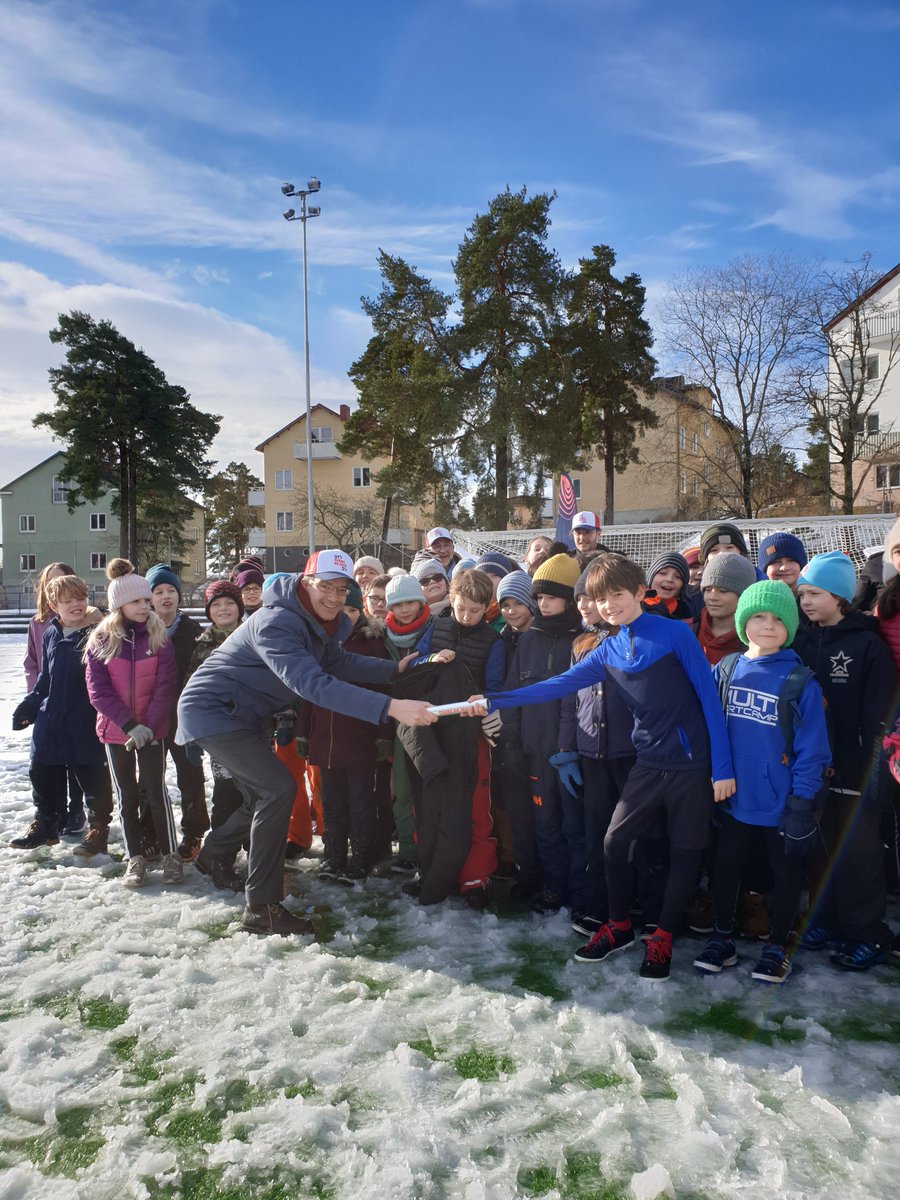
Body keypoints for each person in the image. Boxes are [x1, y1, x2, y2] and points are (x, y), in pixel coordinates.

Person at [475, 552, 735, 981]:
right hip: (647, 763)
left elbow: (709, 699)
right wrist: (490, 701)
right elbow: (552, 687)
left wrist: (721, 769)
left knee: (683, 852)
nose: (610, 605)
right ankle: (618, 926)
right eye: (601, 598)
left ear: (638, 592)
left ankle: (663, 936)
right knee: (614, 843)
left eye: (617, 595)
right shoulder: (608, 647)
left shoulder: (674, 634)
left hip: (691, 765)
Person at [177, 551, 435, 936]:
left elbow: (338, 664)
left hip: (245, 713)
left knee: (260, 795)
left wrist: (396, 670)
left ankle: (214, 856)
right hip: (214, 712)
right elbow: (313, 684)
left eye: (342, 588)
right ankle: (261, 908)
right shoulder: (278, 622)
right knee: (278, 789)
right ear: (305, 581)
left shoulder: (319, 622)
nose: (334, 597)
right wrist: (392, 707)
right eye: (325, 586)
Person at [693, 581, 831, 984]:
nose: (767, 626)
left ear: (790, 625)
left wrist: (803, 804)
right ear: (742, 622)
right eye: (758, 616)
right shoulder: (727, 669)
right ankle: (721, 939)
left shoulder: (800, 681)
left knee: (784, 878)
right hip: (733, 800)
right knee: (725, 869)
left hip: (781, 804)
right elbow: (707, 729)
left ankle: (777, 947)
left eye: (777, 619)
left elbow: (814, 750)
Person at [795, 551, 897, 970]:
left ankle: (868, 934)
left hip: (857, 769)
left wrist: (871, 763)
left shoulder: (866, 642)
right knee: (822, 851)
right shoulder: (800, 639)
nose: (805, 602)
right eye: (801, 594)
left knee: (859, 854)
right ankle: (828, 921)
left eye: (814, 593)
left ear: (839, 596)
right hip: (816, 768)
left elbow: (882, 711)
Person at [84, 559, 180, 888]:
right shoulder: (101, 640)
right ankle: (134, 857)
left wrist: (148, 727)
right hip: (116, 733)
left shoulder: (159, 636)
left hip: (154, 731)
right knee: (126, 796)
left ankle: (170, 854)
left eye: (145, 600)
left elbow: (166, 688)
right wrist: (129, 725)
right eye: (136, 601)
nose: (145, 605)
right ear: (118, 605)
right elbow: (98, 691)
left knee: (156, 792)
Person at [557, 565, 636, 937]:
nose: (586, 605)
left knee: (636, 836)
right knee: (594, 835)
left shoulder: (635, 638)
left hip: (632, 755)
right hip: (592, 756)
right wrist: (566, 748)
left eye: (595, 598)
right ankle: (595, 904)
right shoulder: (580, 643)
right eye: (582, 598)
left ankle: (636, 905)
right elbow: (569, 700)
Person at [502, 554, 583, 915]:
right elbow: (512, 694)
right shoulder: (529, 640)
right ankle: (551, 885)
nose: (542, 603)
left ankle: (578, 886)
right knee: (545, 821)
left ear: (569, 596)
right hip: (534, 748)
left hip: (573, 751)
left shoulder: (583, 638)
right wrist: (512, 740)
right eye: (539, 597)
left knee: (575, 824)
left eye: (551, 596)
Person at [11, 573, 113, 855]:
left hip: (85, 717)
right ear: (54, 606)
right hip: (52, 717)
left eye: (80, 598)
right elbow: (45, 677)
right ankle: (46, 824)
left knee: (92, 776)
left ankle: (98, 829)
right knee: (41, 768)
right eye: (67, 601)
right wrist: (29, 706)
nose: (76, 605)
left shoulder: (98, 633)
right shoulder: (51, 633)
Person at [299, 581, 393, 885]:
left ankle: (362, 856)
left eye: (352, 608)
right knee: (332, 802)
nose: (346, 615)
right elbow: (305, 689)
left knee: (361, 802)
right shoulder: (318, 641)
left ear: (361, 609)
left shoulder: (372, 644)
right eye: (342, 609)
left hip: (360, 737)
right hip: (325, 739)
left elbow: (383, 689)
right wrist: (303, 732)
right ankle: (334, 855)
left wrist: (383, 734)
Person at [145, 563, 209, 860]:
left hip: (185, 719)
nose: (166, 596)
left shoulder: (192, 631)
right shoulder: (140, 630)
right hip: (150, 717)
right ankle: (150, 833)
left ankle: (193, 832)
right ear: (150, 597)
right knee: (150, 777)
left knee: (190, 776)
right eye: (158, 591)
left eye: (171, 590)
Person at [185, 580, 246, 876]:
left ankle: (253, 847)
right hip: (218, 731)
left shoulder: (253, 636)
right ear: (209, 611)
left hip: (253, 727)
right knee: (225, 793)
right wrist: (192, 735)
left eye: (229, 603)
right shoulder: (202, 645)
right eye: (217, 605)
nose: (223, 609)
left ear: (239, 608)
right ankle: (220, 853)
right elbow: (190, 689)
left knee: (256, 792)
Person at [381, 573, 437, 876]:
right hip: (396, 717)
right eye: (397, 604)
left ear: (421, 600)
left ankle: (429, 846)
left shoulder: (436, 628)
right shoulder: (382, 634)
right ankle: (407, 849)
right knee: (401, 788)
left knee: (430, 786)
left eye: (410, 602)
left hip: (429, 716)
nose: (404, 609)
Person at [24, 561, 85, 835]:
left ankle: (76, 810)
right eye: (51, 582)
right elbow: (34, 663)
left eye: (63, 579)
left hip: (77, 702)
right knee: (49, 760)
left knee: (76, 761)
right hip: (48, 702)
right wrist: (35, 698)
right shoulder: (37, 624)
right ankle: (55, 812)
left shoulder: (86, 620)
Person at [694, 554, 758, 665]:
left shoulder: (758, 639)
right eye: (708, 590)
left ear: (743, 595)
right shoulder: (689, 631)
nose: (712, 597)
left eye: (723, 590)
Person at [643, 553, 693, 620]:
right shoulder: (636, 605)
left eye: (678, 576)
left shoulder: (687, 612)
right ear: (651, 578)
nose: (669, 579)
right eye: (663, 573)